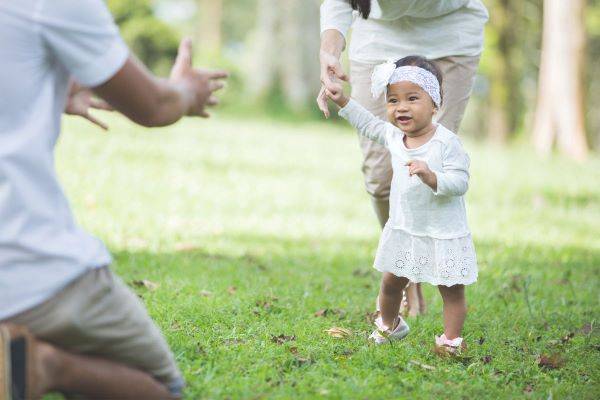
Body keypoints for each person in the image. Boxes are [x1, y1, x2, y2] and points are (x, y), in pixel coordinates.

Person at [0, 0, 227, 398]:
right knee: (161, 387)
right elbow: (154, 104)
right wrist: (188, 91)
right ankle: (45, 366)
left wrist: (47, 93)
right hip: (26, 268)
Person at [317, 0, 488, 316]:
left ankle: (424, 274)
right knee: (380, 180)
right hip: (379, 39)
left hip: (450, 37)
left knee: (431, 166)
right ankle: (403, 267)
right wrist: (330, 50)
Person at [324, 55, 478, 353]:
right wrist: (342, 99)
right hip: (406, 228)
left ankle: (451, 341)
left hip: (441, 232)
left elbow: (460, 182)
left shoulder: (446, 143)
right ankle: (390, 324)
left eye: (412, 98)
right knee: (391, 283)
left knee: (451, 290)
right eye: (393, 100)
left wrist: (433, 177)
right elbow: (368, 123)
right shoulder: (395, 137)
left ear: (434, 104)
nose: (401, 107)